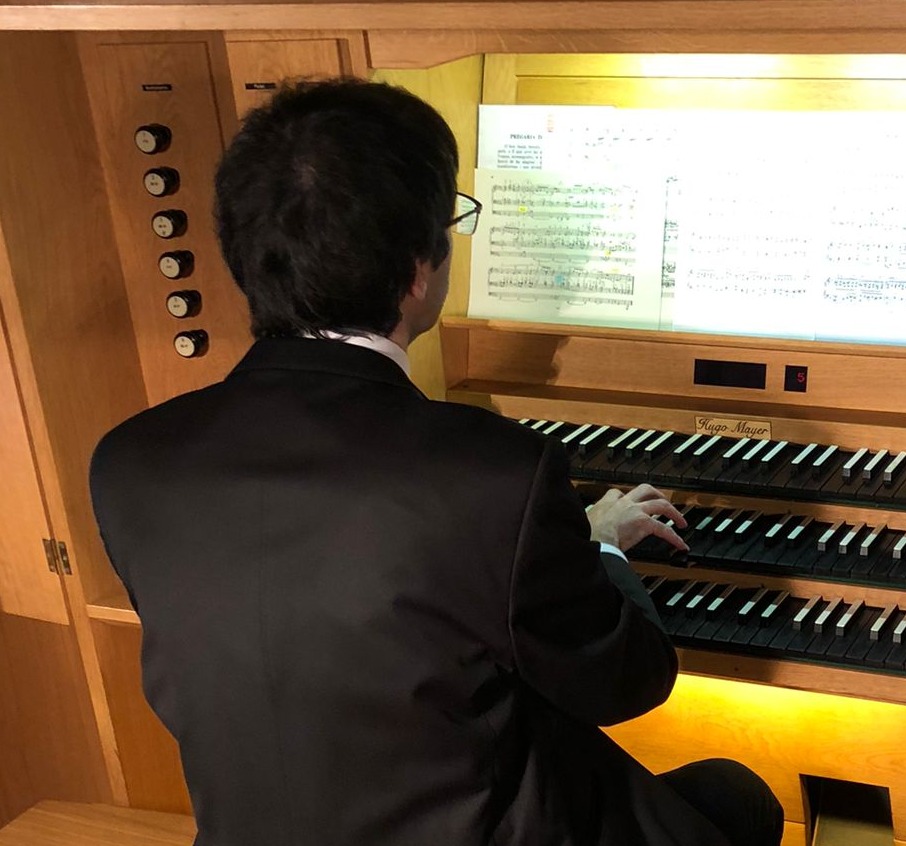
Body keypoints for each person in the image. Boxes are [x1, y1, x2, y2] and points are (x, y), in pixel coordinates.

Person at [89, 78, 782, 846]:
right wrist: (601, 546)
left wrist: (525, 551)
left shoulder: (132, 461)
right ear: (419, 271)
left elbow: (330, 600)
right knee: (737, 797)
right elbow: (626, 682)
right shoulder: (492, 475)